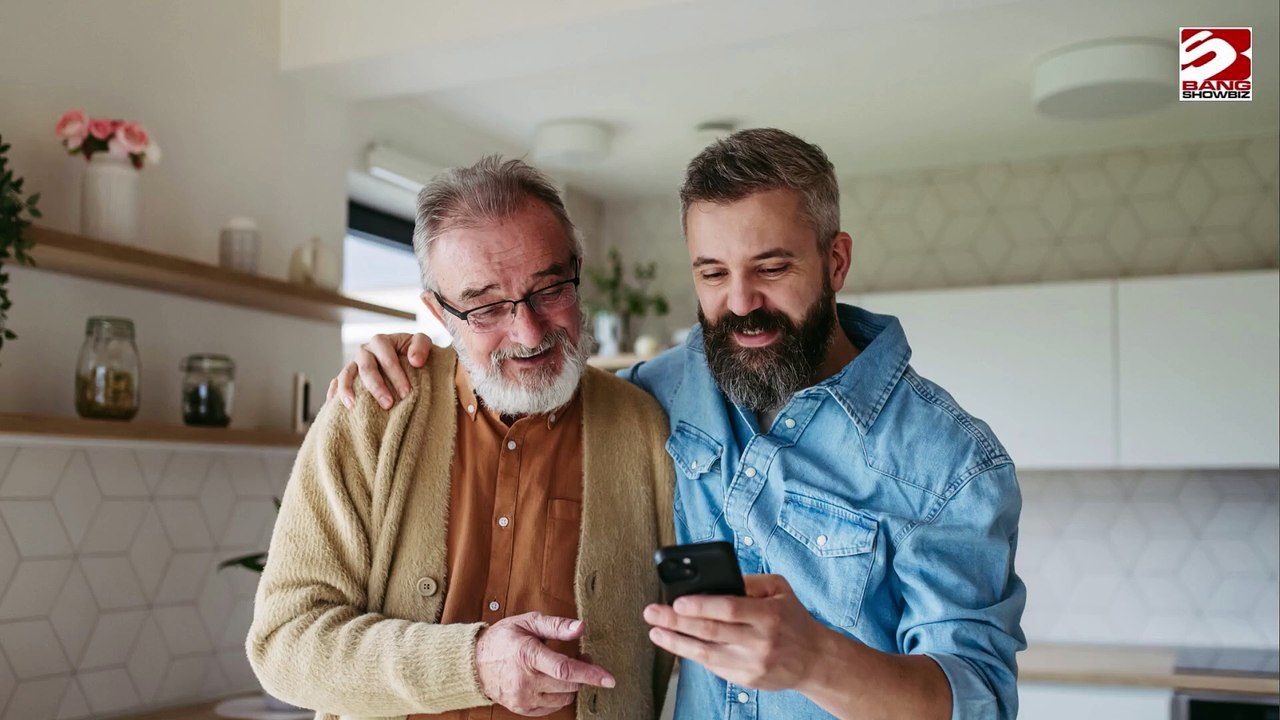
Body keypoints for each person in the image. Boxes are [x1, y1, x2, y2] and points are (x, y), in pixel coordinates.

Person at [330, 129, 1027, 720]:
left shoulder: (949, 460)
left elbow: (981, 698)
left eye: (771, 267)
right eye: (712, 273)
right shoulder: (658, 395)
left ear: (835, 261)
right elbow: (527, 368)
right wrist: (415, 357)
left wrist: (818, 659)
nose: (741, 302)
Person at [249, 157, 676, 720]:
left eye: (550, 290)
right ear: (437, 311)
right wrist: (472, 665)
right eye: (486, 306)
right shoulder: (372, 414)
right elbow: (284, 642)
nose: (528, 331)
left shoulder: (645, 428)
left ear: (577, 271)